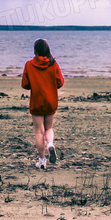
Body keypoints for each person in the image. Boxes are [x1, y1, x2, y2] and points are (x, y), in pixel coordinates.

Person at [21, 38, 64, 169]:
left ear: (35, 50)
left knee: (39, 132)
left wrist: (35, 84)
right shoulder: (53, 64)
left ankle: (42, 161)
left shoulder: (29, 65)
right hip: (51, 100)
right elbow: (60, 82)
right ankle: (50, 143)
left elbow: (25, 84)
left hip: (37, 101)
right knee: (49, 128)